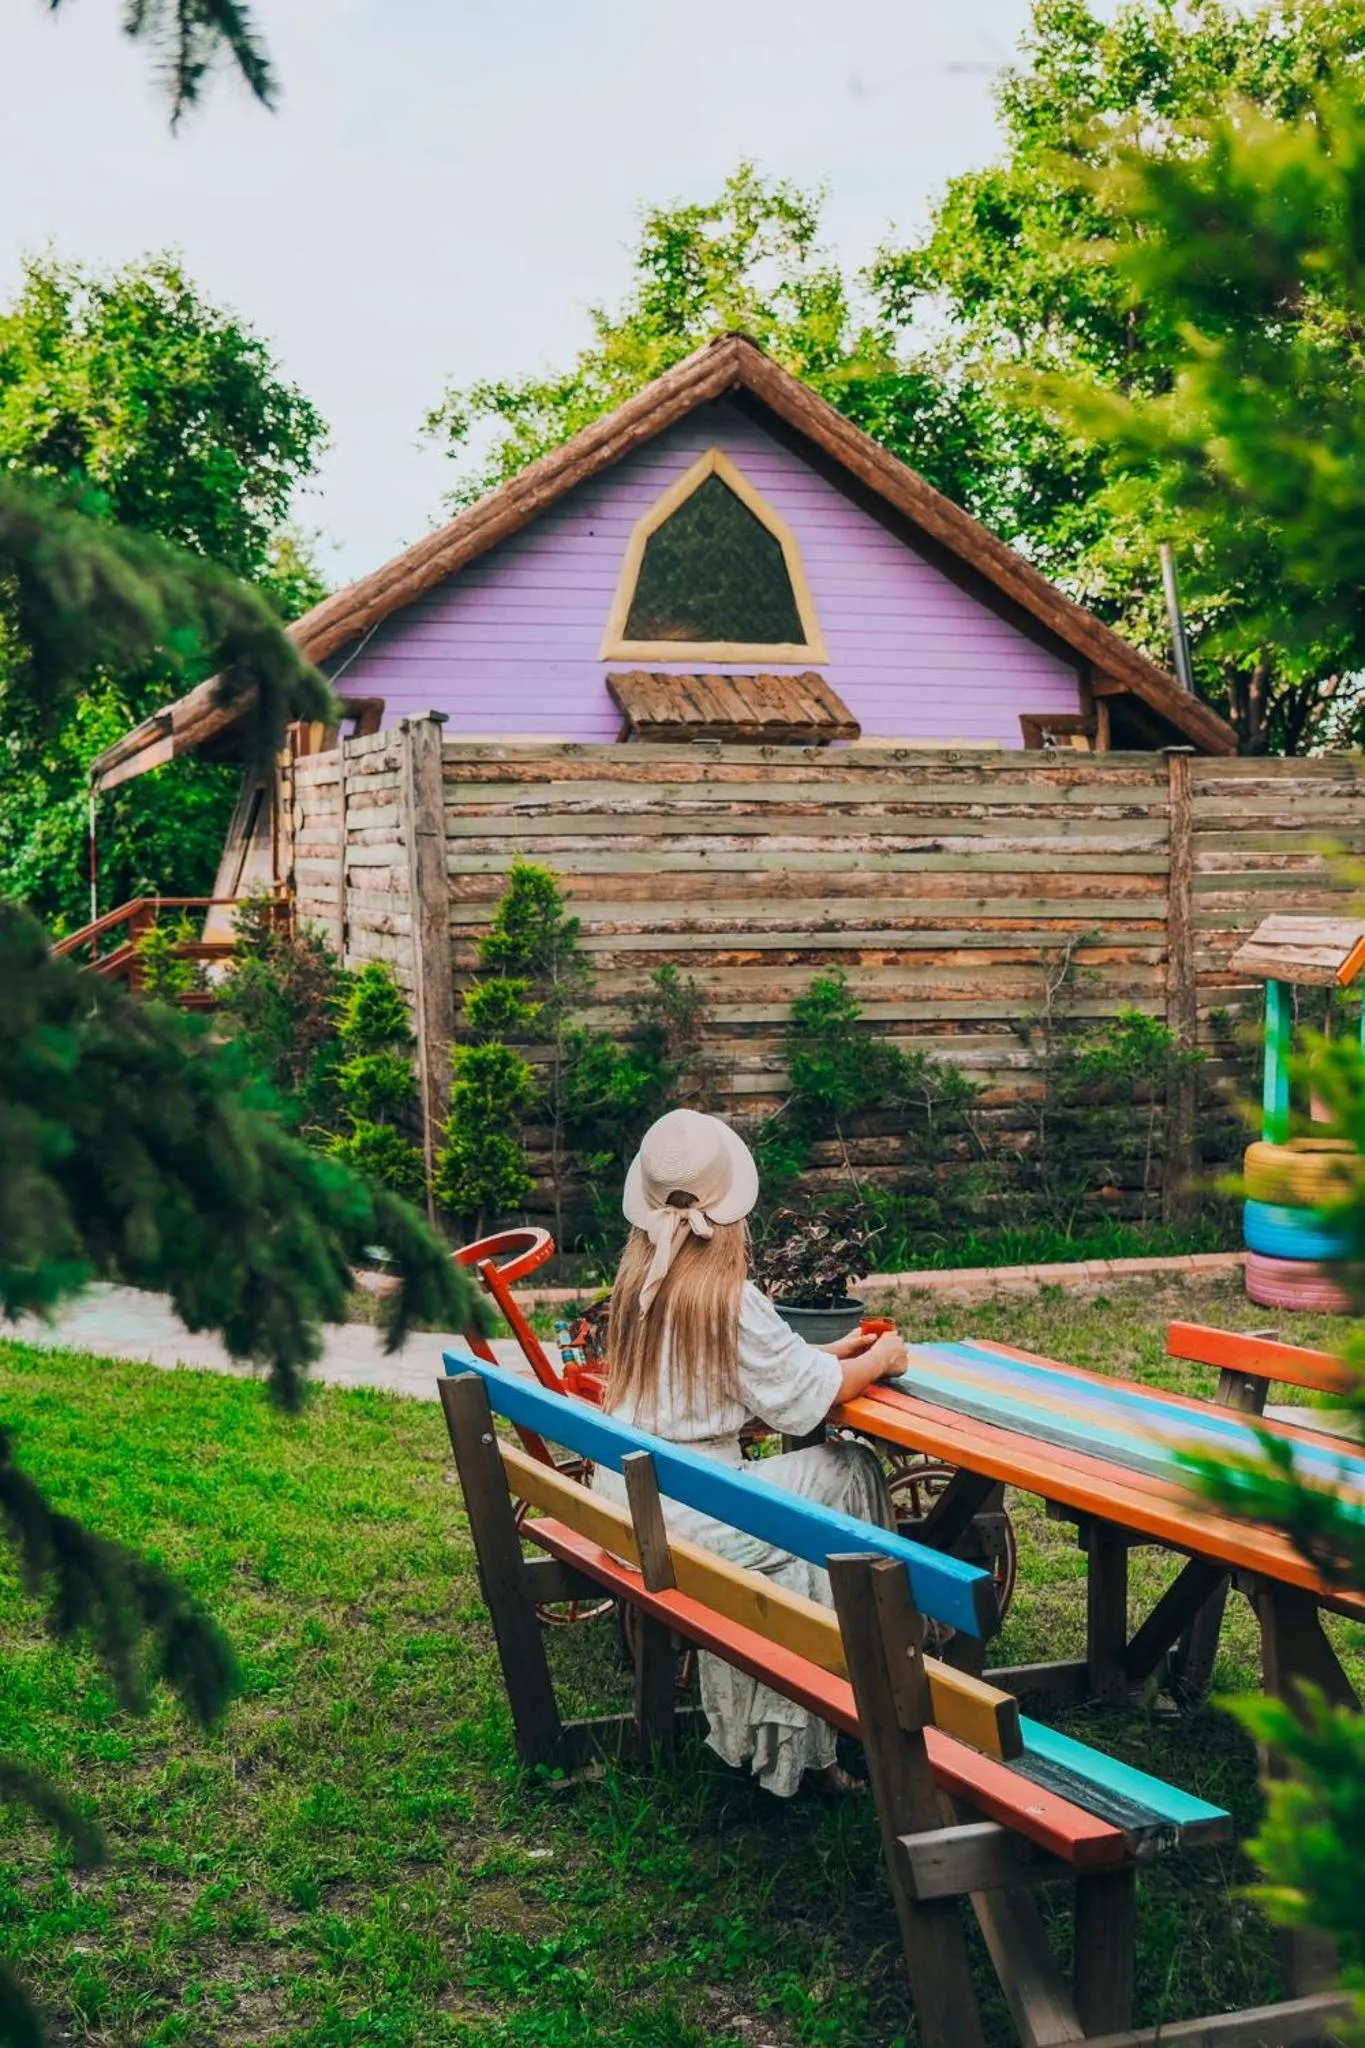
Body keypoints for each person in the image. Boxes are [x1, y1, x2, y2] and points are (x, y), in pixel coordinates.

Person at [594, 1107, 908, 1798]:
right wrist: (878, 1357)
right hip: (690, 1518)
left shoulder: (641, 1286)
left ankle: (793, 1741)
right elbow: (808, 1404)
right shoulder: (727, 1298)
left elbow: (746, 1372)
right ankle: (885, 1659)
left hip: (630, 1503)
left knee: (798, 1537)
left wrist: (824, 1355)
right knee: (847, 1472)